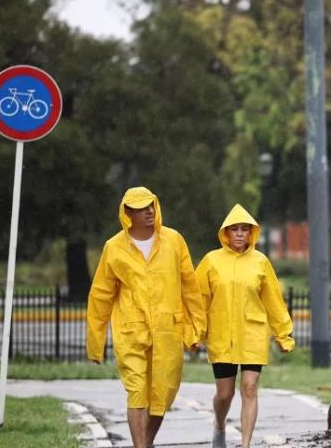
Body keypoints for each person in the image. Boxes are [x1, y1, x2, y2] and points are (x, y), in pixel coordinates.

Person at [86, 187, 206, 448]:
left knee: (163, 395)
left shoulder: (174, 241)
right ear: (128, 213)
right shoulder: (114, 248)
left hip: (168, 331)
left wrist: (196, 328)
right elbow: (100, 297)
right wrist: (96, 344)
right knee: (137, 392)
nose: (149, 211)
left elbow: (190, 288)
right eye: (141, 208)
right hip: (131, 333)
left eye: (151, 205)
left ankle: (145, 443)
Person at [195, 204, 295, 448]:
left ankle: (245, 444)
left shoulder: (261, 262)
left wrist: (283, 335)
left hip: (253, 334)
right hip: (221, 336)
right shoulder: (211, 261)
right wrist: (195, 333)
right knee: (225, 394)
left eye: (244, 229)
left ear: (251, 233)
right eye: (234, 229)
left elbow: (274, 301)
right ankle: (219, 426)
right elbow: (197, 301)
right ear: (225, 233)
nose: (239, 234)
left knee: (249, 388)